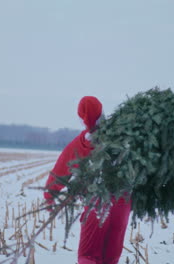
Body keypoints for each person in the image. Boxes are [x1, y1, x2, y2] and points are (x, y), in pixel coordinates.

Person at [44, 96, 131, 264]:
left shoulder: (79, 144)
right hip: (123, 201)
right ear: (102, 112)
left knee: (88, 255)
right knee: (111, 257)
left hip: (97, 203)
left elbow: (60, 170)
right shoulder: (122, 136)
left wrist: (50, 195)